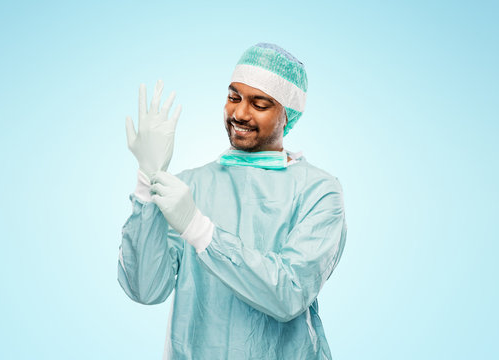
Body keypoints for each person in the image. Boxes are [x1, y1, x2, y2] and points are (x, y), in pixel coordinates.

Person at [118, 43, 348, 360]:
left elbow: (290, 295)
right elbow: (145, 289)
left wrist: (199, 229)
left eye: (260, 104)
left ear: (287, 114)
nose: (239, 113)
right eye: (234, 97)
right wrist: (148, 179)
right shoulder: (190, 187)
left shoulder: (319, 191)